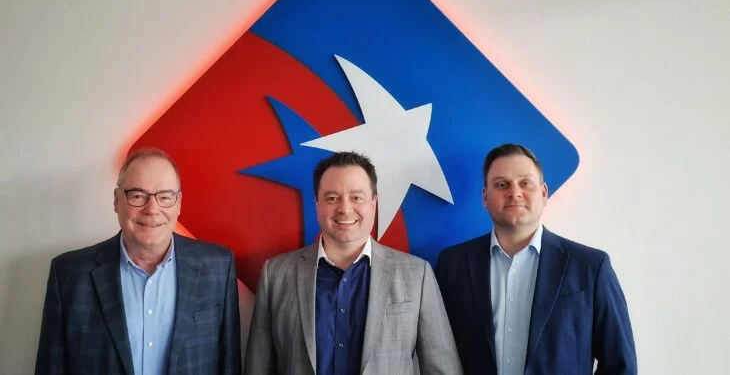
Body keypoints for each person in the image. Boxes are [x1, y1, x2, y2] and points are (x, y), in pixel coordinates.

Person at [244, 151, 461, 375]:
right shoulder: (276, 274)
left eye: (356, 197)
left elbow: (443, 369)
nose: (345, 209)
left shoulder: (417, 274)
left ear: (373, 203)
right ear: (317, 204)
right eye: (332, 198)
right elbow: (258, 367)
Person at [35, 148, 241, 375]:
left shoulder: (218, 267)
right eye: (137, 196)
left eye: (165, 197)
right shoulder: (69, 274)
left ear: (179, 203)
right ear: (117, 200)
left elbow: (229, 365)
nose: (152, 209)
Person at [435, 143, 637, 375]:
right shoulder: (453, 265)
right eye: (502, 185)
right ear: (485, 197)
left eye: (525, 183)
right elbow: (435, 355)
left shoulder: (591, 267)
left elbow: (620, 365)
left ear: (543, 193)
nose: (514, 193)